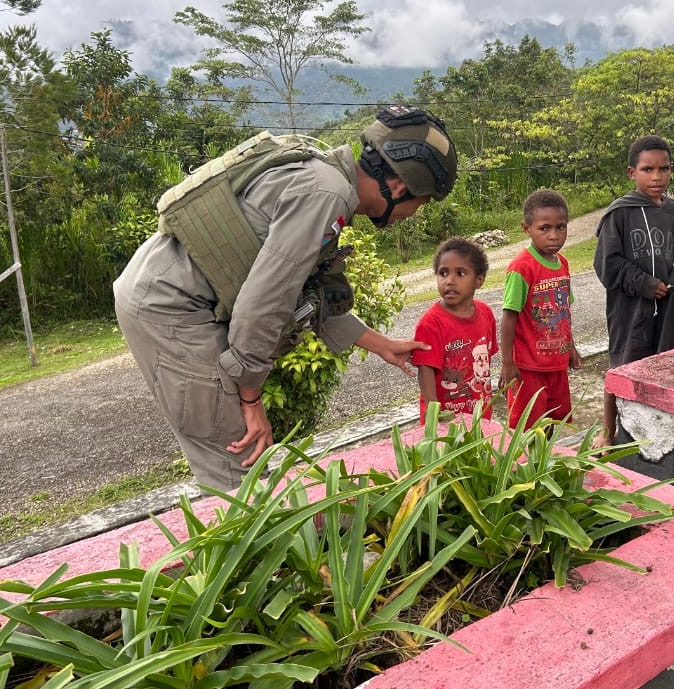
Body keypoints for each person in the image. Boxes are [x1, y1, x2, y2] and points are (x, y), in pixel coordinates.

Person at [113, 105, 457, 490]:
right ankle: (249, 543)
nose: (412, 214)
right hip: (172, 305)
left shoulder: (325, 177)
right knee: (239, 456)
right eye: (420, 203)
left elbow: (305, 289)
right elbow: (266, 303)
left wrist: (381, 345)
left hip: (166, 285)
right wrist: (250, 399)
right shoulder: (326, 194)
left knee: (241, 457)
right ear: (398, 188)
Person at [594, 134, 674, 441]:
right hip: (630, 309)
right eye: (647, 169)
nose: (657, 177)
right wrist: (644, 284)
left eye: (663, 169)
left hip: (668, 307)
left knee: (664, 363)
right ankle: (607, 429)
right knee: (623, 364)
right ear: (632, 172)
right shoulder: (620, 214)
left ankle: (658, 427)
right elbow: (607, 263)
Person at [498, 189, 581, 431]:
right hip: (529, 368)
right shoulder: (521, 268)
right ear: (527, 229)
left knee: (552, 422)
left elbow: (563, 311)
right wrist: (507, 362)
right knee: (528, 428)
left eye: (561, 227)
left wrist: (571, 348)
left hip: (556, 365)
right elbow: (508, 317)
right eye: (545, 228)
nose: (554, 236)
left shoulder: (562, 263)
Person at [412, 237, 498, 421]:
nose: (449, 281)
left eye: (460, 273)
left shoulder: (486, 313)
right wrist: (433, 410)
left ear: (479, 280)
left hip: (480, 413)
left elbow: (485, 359)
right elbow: (425, 370)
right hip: (446, 421)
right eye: (443, 273)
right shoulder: (431, 323)